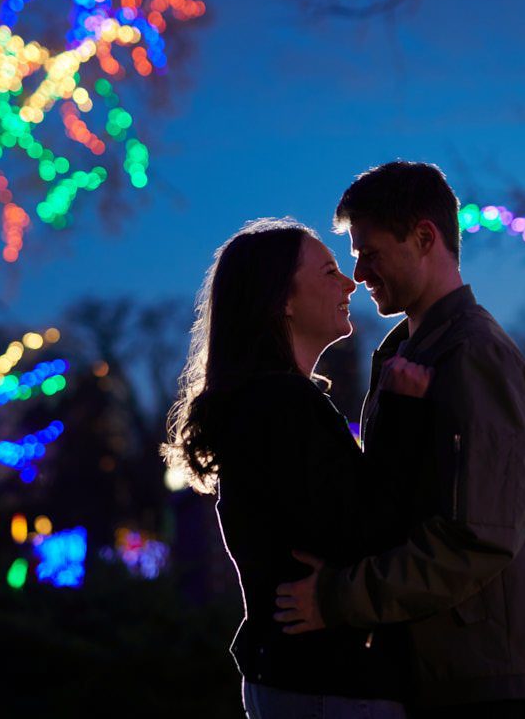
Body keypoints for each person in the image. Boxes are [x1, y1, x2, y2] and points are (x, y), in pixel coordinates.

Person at [274, 161, 525, 719]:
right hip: (448, 666)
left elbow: (478, 537)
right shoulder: (407, 352)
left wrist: (340, 598)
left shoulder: (472, 356)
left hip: (484, 678)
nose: (358, 271)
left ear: (423, 238)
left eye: (370, 251)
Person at [162, 217, 422, 718]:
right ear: (282, 300)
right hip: (329, 680)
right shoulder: (284, 407)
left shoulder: (261, 402)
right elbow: (375, 529)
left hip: (291, 674)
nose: (349, 281)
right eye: (328, 272)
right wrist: (408, 417)